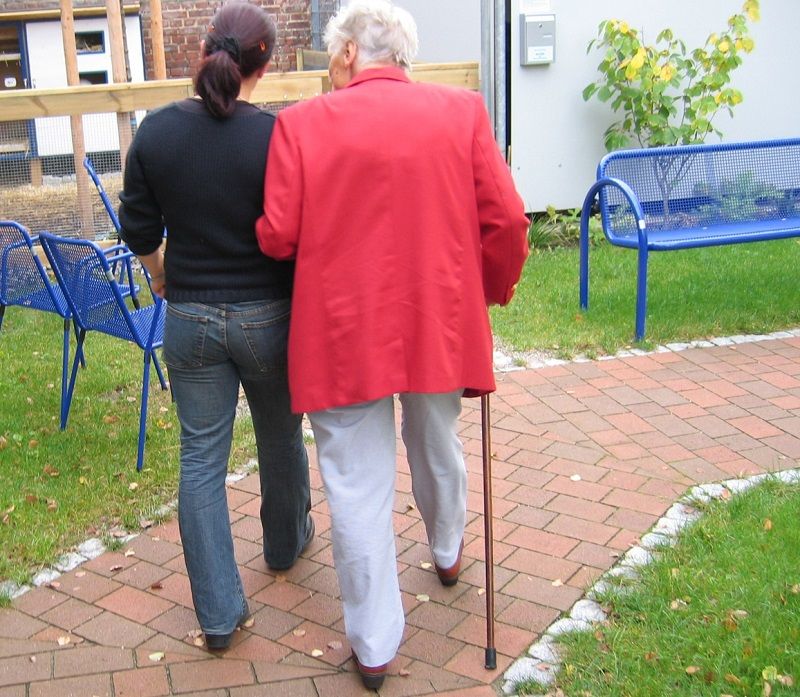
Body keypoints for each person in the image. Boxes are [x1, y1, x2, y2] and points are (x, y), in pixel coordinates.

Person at [255, 0, 529, 688]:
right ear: (403, 54)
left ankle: (374, 645)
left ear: (348, 53)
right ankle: (446, 548)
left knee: (355, 483)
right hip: (439, 320)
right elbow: (507, 219)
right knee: (438, 438)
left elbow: (280, 235)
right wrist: (490, 289)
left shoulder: (299, 124)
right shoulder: (461, 111)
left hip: (343, 330)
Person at [118, 0, 313, 651]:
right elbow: (297, 230)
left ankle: (219, 615)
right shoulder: (278, 135)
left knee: (200, 461)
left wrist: (162, 273)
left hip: (191, 320)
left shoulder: (156, 132)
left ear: (203, 50)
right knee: (282, 438)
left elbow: (139, 228)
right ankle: (285, 546)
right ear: (268, 62)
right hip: (269, 319)